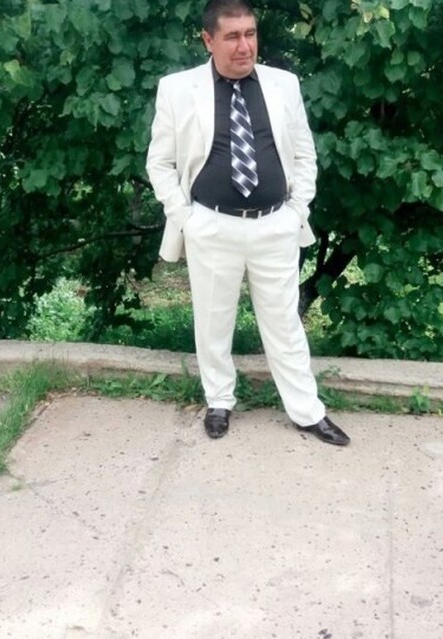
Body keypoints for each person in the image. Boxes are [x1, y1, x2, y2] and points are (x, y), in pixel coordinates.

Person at [146, 0, 350, 446]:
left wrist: (297, 211)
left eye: (251, 34)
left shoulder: (283, 84)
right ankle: (219, 401)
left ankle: (307, 411)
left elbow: (304, 154)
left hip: (275, 225)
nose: (245, 46)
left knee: (285, 324)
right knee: (212, 322)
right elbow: (159, 163)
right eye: (233, 36)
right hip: (211, 226)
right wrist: (186, 218)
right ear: (208, 40)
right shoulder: (177, 89)